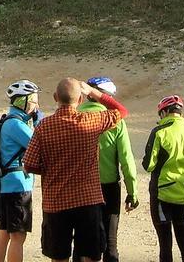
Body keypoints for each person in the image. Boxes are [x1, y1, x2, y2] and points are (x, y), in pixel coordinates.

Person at [22, 78, 129, 262]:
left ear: (56, 97)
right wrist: (94, 93)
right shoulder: (91, 121)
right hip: (88, 200)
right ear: (80, 100)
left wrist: (51, 169)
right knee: (91, 255)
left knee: (59, 257)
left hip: (56, 202)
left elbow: (29, 165)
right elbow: (121, 111)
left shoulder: (43, 127)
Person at [73, 77, 138, 262]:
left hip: (81, 186)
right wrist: (132, 193)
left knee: (81, 242)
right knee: (110, 244)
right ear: (106, 96)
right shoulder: (115, 120)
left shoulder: (75, 115)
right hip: (108, 187)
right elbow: (126, 159)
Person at [142, 95, 184, 262]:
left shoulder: (159, 133)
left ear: (164, 113)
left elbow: (148, 165)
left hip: (162, 194)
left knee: (165, 244)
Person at [0, 80, 43, 262]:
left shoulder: (9, 121)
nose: (37, 105)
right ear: (23, 101)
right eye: (34, 101)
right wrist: (40, 122)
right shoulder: (16, 125)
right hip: (19, 186)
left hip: (6, 185)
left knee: (3, 234)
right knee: (18, 238)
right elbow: (40, 145)